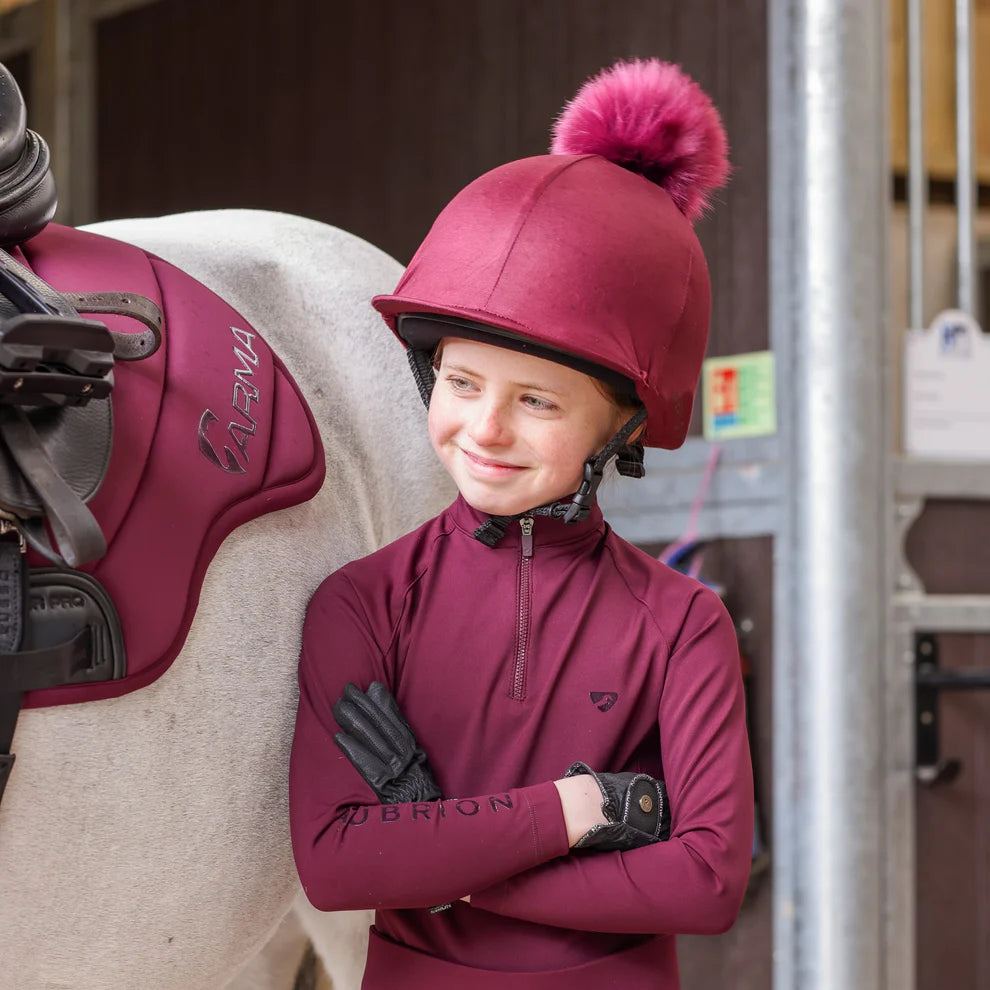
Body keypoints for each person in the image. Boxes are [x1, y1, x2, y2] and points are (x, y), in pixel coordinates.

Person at [289, 58, 754, 989]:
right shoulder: (361, 603)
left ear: (624, 421)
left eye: (537, 400)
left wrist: (440, 860)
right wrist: (579, 809)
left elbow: (705, 882)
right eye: (461, 384)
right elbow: (337, 866)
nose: (486, 430)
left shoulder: (682, 623)